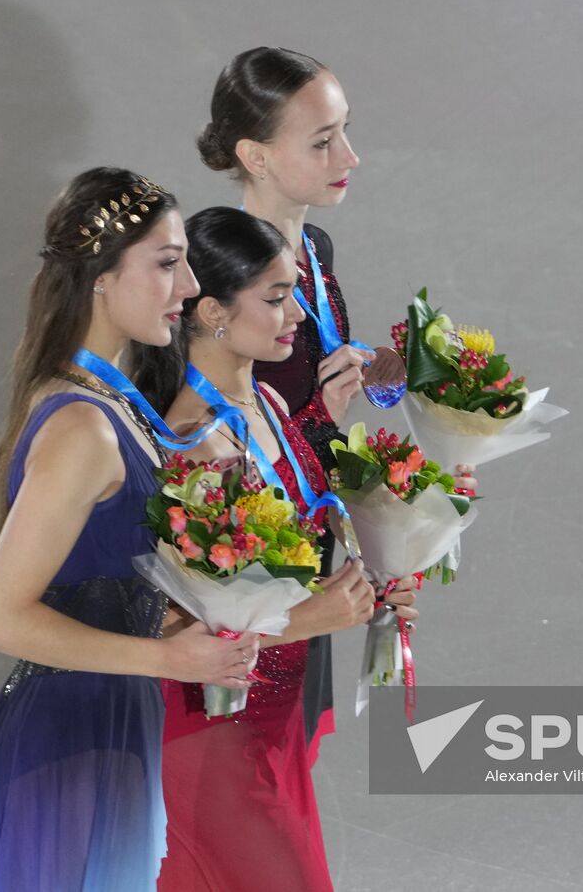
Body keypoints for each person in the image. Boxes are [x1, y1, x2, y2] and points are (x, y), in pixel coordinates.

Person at [0, 168, 259, 892]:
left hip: (112, 725)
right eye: (166, 263)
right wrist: (169, 661)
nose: (189, 285)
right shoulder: (83, 427)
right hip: (70, 739)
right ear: (102, 277)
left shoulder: (109, 405)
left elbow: (95, 585)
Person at [196, 48, 476, 751]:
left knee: (293, 755)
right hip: (257, 564)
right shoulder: (221, 271)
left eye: (343, 130)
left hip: (316, 550)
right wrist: (325, 418)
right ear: (255, 157)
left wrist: (392, 372)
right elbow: (210, 433)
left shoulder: (313, 250)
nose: (349, 154)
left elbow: (310, 377)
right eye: (322, 141)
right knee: (246, 763)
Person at [136, 206, 418, 891]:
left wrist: (379, 576)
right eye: (275, 297)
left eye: (293, 290)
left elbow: (296, 550)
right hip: (213, 736)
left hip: (274, 721)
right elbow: (170, 623)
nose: (297, 316)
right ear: (209, 312)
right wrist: (314, 618)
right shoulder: (192, 442)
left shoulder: (273, 404)